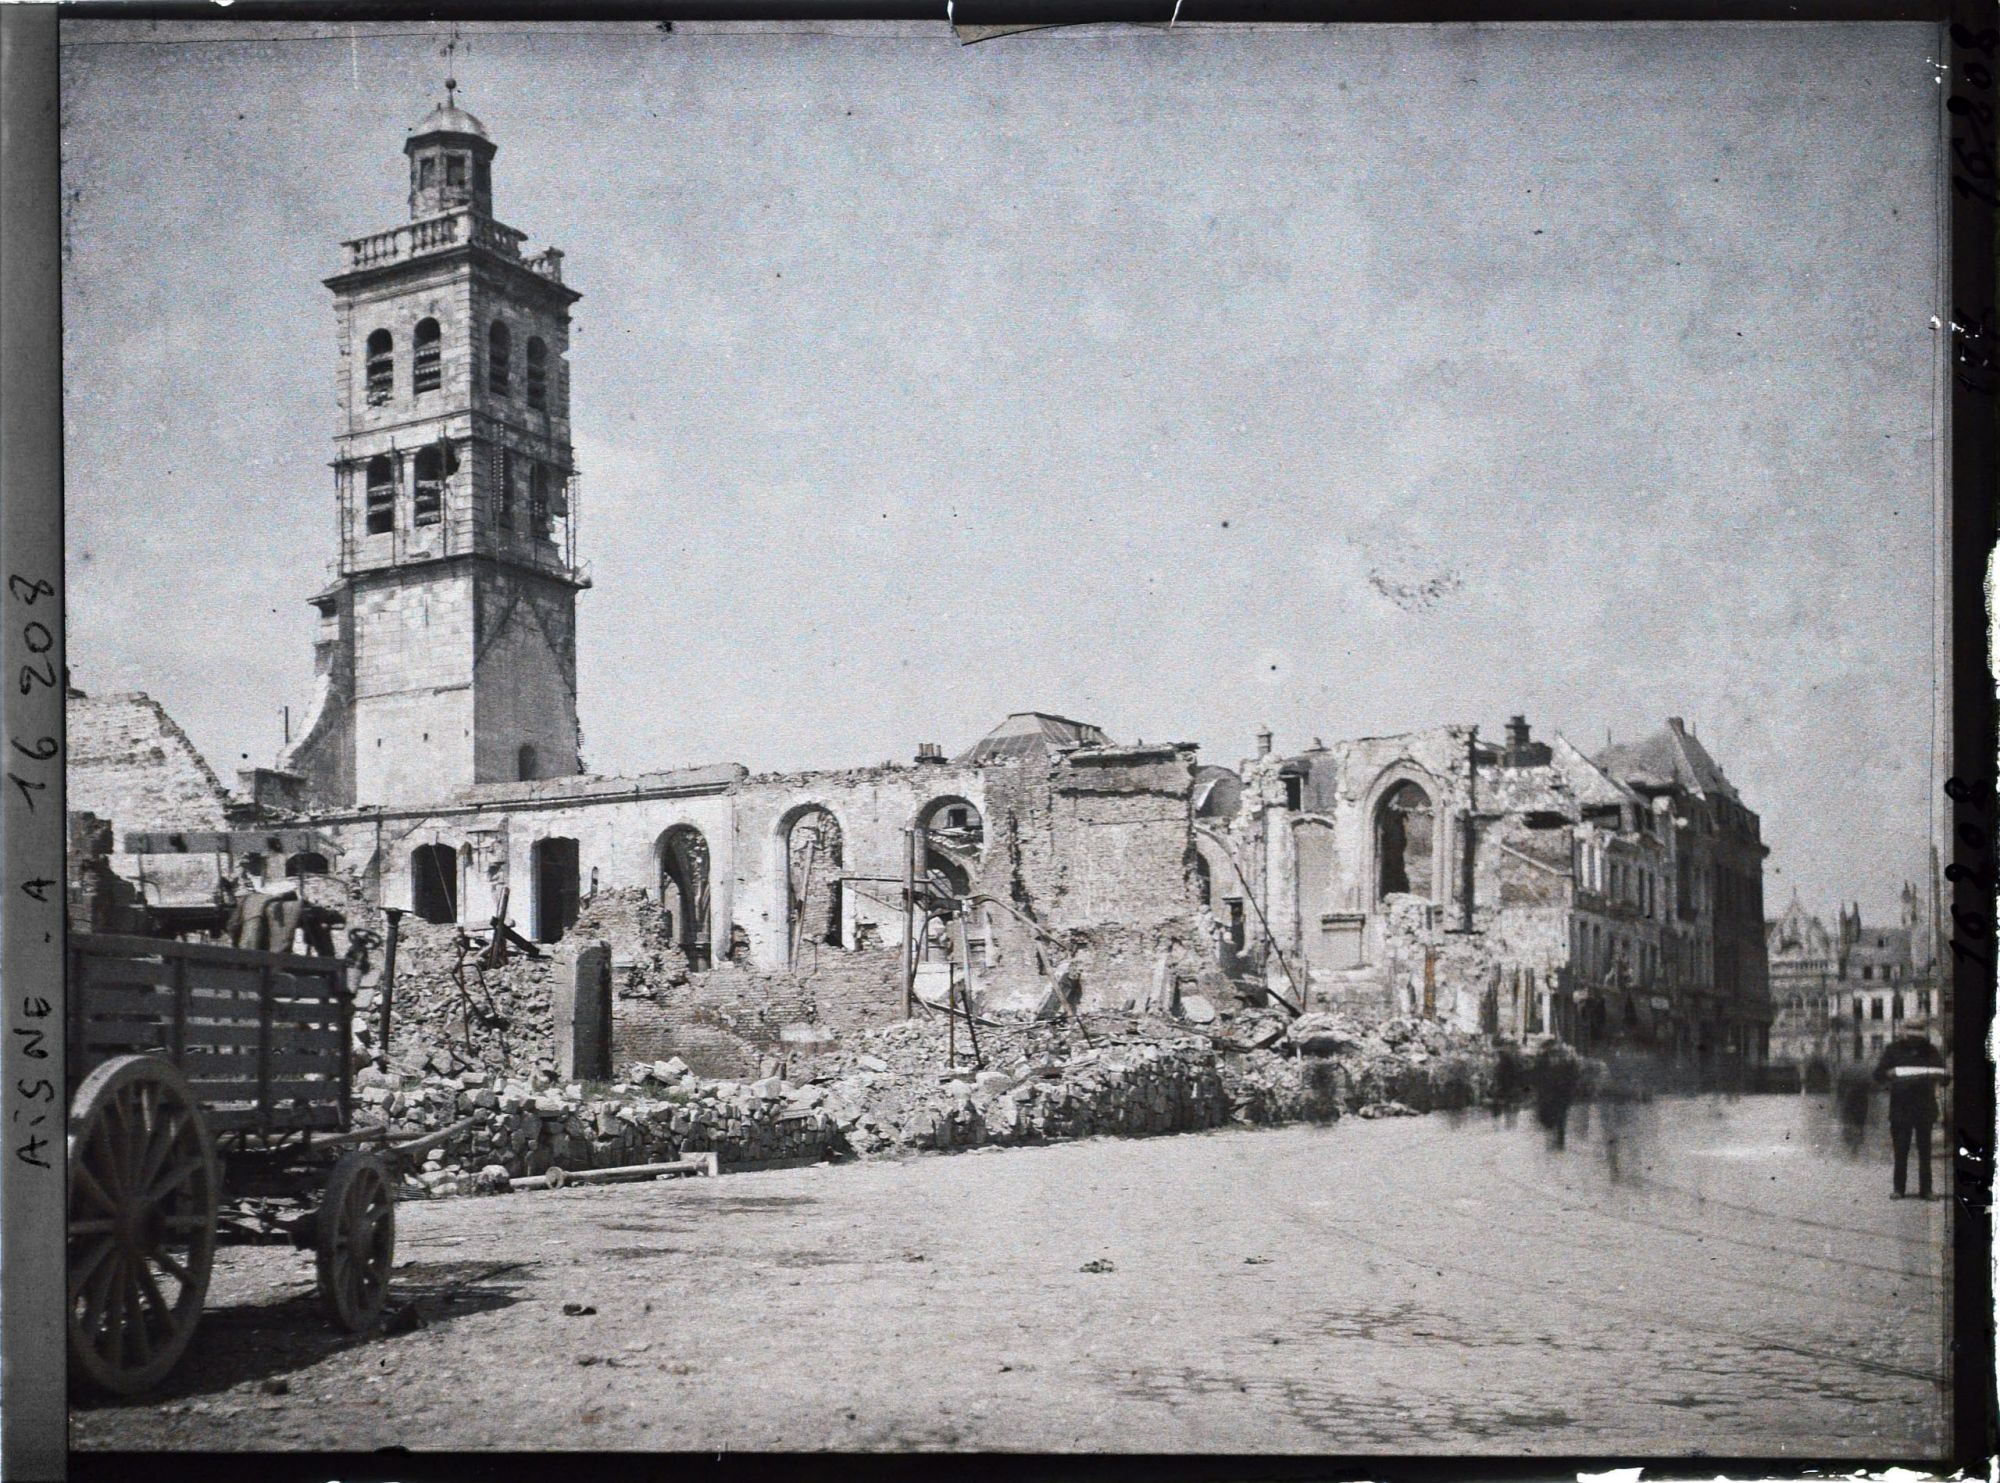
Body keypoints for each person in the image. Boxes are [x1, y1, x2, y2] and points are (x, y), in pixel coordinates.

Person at [1872, 1021, 1949, 1199]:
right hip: (1901, 1108)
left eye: (1918, 1036)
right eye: (1911, 1035)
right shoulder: (1893, 1050)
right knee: (1901, 1150)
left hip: (1924, 1107)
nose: (1915, 1040)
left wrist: (1941, 1076)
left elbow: (1944, 1076)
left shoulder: (1931, 1050)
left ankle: (1926, 1190)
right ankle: (1899, 1189)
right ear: (1905, 1034)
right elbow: (1877, 1074)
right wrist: (1887, 1074)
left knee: (1925, 1151)